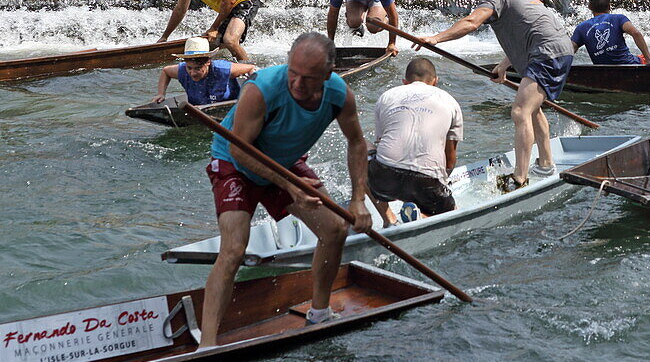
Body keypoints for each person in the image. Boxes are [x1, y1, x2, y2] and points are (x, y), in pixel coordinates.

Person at [199, 32, 372, 346]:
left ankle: (319, 313)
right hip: (234, 163)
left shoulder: (339, 94)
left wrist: (359, 199)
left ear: (328, 75)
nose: (297, 83)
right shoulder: (261, 89)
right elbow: (241, 151)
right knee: (235, 248)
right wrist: (291, 186)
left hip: (284, 162)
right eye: (293, 72)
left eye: (308, 78)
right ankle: (207, 344)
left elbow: (357, 143)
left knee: (335, 230)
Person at [420, 0, 574, 192]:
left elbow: (472, 22)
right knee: (532, 110)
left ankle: (519, 179)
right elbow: (528, 26)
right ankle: (545, 164)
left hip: (547, 53)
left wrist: (436, 38)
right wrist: (504, 65)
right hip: (550, 49)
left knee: (520, 111)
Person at [367, 57, 463, 226]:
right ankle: (420, 214)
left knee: (359, 147)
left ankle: (388, 218)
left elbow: (381, 144)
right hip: (428, 183)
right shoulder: (450, 101)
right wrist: (442, 184)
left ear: (405, 82)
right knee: (449, 213)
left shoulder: (387, 96)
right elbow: (450, 160)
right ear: (435, 81)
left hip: (386, 177)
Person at [571, 0, 650, 65]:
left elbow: (570, 50)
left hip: (601, 71)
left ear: (590, 7)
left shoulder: (581, 28)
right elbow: (636, 33)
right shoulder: (618, 19)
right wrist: (649, 60)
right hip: (628, 65)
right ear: (609, 6)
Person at [153, 36, 257, 105]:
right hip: (200, 108)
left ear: (208, 62)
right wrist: (161, 94)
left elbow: (251, 68)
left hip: (229, 106)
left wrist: (251, 94)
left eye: (198, 68)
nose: (192, 73)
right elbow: (166, 71)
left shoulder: (222, 69)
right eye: (189, 68)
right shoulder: (181, 70)